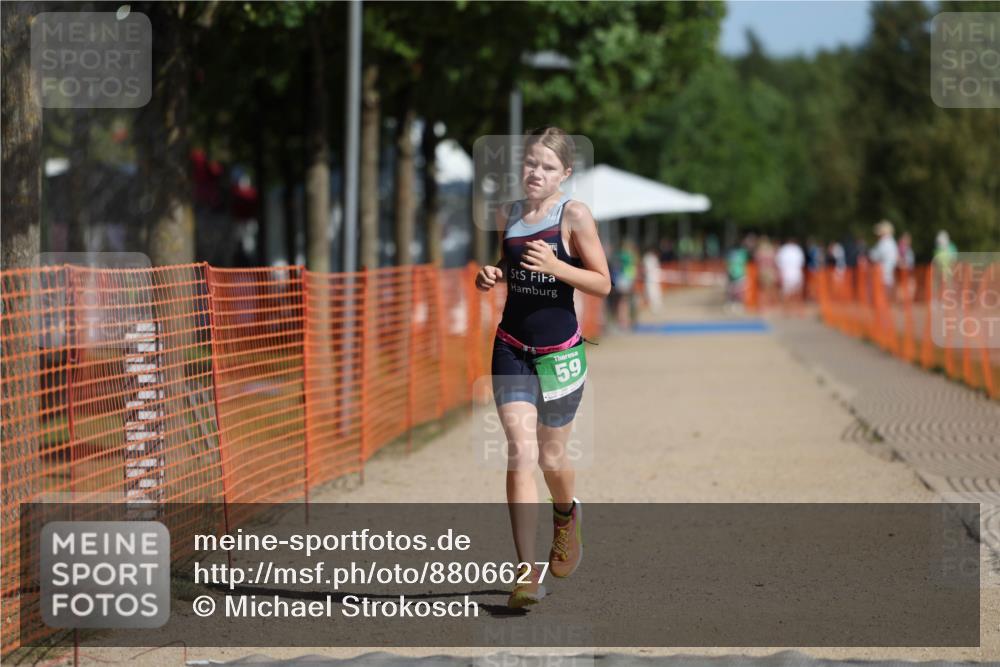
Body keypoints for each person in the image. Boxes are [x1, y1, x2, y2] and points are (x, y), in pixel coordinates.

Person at [474, 126, 611, 609]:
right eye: (531, 163)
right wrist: (489, 273)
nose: (536, 172)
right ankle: (526, 572)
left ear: (565, 174)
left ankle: (566, 513)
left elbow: (602, 283)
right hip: (510, 347)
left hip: (560, 355)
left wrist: (557, 267)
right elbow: (507, 265)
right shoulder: (510, 212)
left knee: (553, 459)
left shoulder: (572, 215)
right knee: (520, 453)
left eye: (548, 166)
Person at [775, 237, 805, 311]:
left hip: (787, 273)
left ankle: (787, 309)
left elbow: (778, 262)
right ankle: (796, 308)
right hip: (795, 272)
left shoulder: (784, 249)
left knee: (787, 292)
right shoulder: (797, 249)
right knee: (796, 292)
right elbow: (801, 263)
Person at [869, 220, 899, 293]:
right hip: (888, 275)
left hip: (881, 275)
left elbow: (874, 256)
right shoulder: (892, 243)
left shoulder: (884, 242)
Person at [642, 246, 662, 313]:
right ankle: (655, 306)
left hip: (652, 278)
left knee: (654, 292)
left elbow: (646, 269)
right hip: (652, 278)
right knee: (653, 292)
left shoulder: (650, 258)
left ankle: (656, 306)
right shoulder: (651, 258)